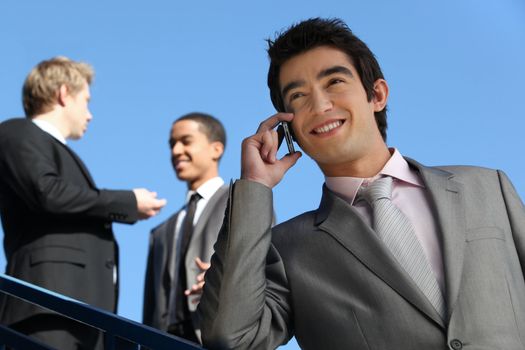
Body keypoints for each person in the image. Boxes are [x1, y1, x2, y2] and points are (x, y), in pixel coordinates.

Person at [197, 18, 525, 350]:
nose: (320, 105)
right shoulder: (287, 249)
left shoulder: (488, 186)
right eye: (297, 95)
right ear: (288, 130)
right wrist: (255, 186)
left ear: (377, 94)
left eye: (334, 81)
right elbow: (229, 336)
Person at [0, 56, 167, 349]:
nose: (89, 115)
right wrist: (128, 202)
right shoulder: (17, 132)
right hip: (47, 308)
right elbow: (48, 192)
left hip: (83, 315)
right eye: (86, 101)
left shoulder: (59, 151)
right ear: (64, 93)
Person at [143, 112, 228, 343]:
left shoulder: (242, 202)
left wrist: (224, 275)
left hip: (218, 338)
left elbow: (262, 266)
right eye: (172, 144)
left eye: (186, 141)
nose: (176, 151)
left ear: (216, 149)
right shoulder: (160, 232)